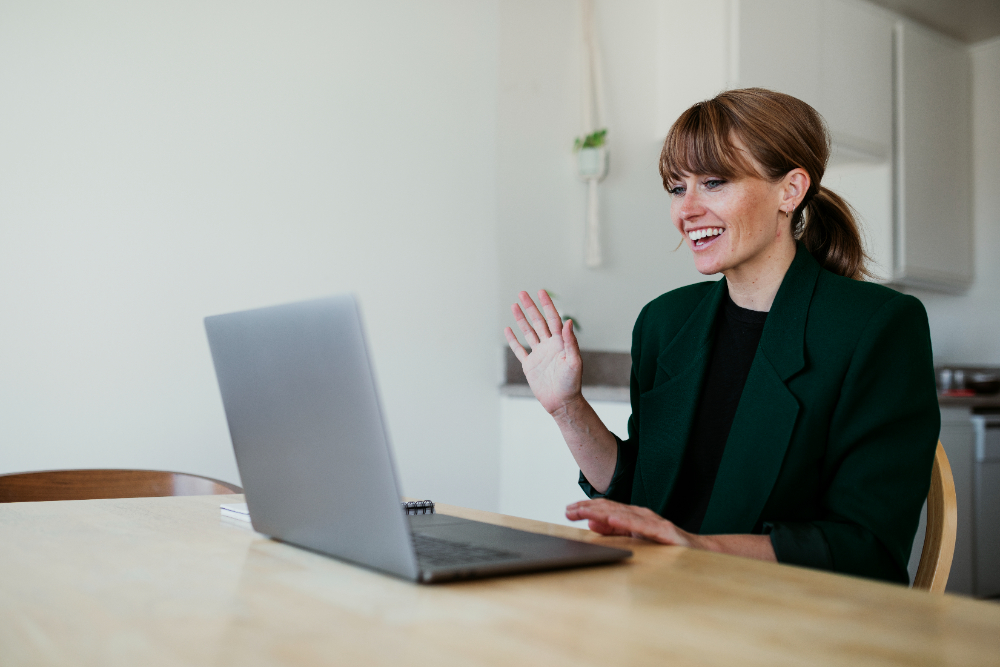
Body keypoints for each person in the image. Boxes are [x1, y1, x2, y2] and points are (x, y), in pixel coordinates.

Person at [504, 88, 939, 584]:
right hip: (665, 596)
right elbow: (639, 495)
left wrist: (699, 547)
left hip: (794, 618)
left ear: (790, 190)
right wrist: (567, 408)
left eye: (713, 182)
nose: (686, 210)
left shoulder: (876, 325)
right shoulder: (664, 323)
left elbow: (867, 547)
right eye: (675, 187)